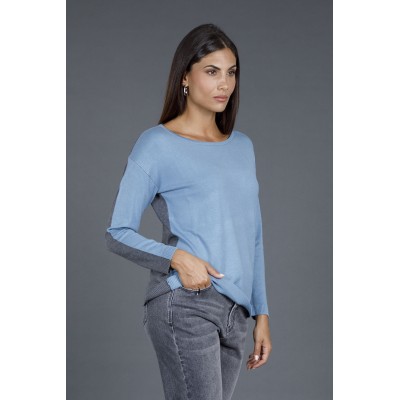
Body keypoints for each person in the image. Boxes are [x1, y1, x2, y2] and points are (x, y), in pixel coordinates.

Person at [105, 23, 272, 400]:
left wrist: (262, 314)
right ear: (185, 76)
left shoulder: (242, 147)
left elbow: (253, 236)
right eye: (212, 71)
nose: (224, 84)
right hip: (186, 304)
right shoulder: (156, 145)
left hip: (236, 314)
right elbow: (117, 233)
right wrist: (177, 258)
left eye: (231, 72)